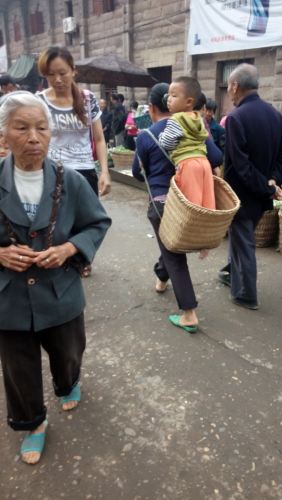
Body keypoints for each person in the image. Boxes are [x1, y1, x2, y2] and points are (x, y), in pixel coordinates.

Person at [0, 91, 111, 465]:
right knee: (18, 368)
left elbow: (97, 222)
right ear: (4, 134)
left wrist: (68, 249)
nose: (34, 137)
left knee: (68, 352)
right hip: (8, 298)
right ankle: (32, 423)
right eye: (22, 128)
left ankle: (68, 383)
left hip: (60, 291)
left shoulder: (71, 182)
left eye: (42, 128)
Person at [132, 83, 223, 332]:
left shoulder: (145, 136)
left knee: (173, 251)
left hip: (162, 202)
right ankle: (162, 278)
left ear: (151, 108)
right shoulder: (195, 125)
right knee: (169, 243)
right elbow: (216, 158)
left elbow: (137, 174)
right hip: (190, 198)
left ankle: (189, 312)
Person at [218, 63, 282, 310]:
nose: (229, 94)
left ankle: (246, 294)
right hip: (260, 196)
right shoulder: (276, 115)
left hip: (242, 195)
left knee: (244, 242)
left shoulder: (235, 118)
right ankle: (229, 273)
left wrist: (268, 187)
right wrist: (273, 180)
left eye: (229, 88)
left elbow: (241, 166)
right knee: (241, 239)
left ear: (235, 85)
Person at [37, 46, 111, 198]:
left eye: (62, 73)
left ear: (73, 71)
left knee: (88, 220)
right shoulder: (39, 101)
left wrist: (104, 172)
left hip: (85, 171)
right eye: (51, 74)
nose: (57, 80)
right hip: (52, 173)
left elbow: (99, 139)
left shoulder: (88, 99)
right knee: (56, 221)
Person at [158, 76, 216, 211]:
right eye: (169, 95)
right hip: (204, 163)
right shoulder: (198, 118)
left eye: (174, 96)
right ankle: (207, 229)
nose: (169, 99)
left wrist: (161, 135)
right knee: (207, 205)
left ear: (189, 101)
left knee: (191, 208)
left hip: (187, 164)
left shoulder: (176, 119)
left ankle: (192, 231)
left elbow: (166, 143)